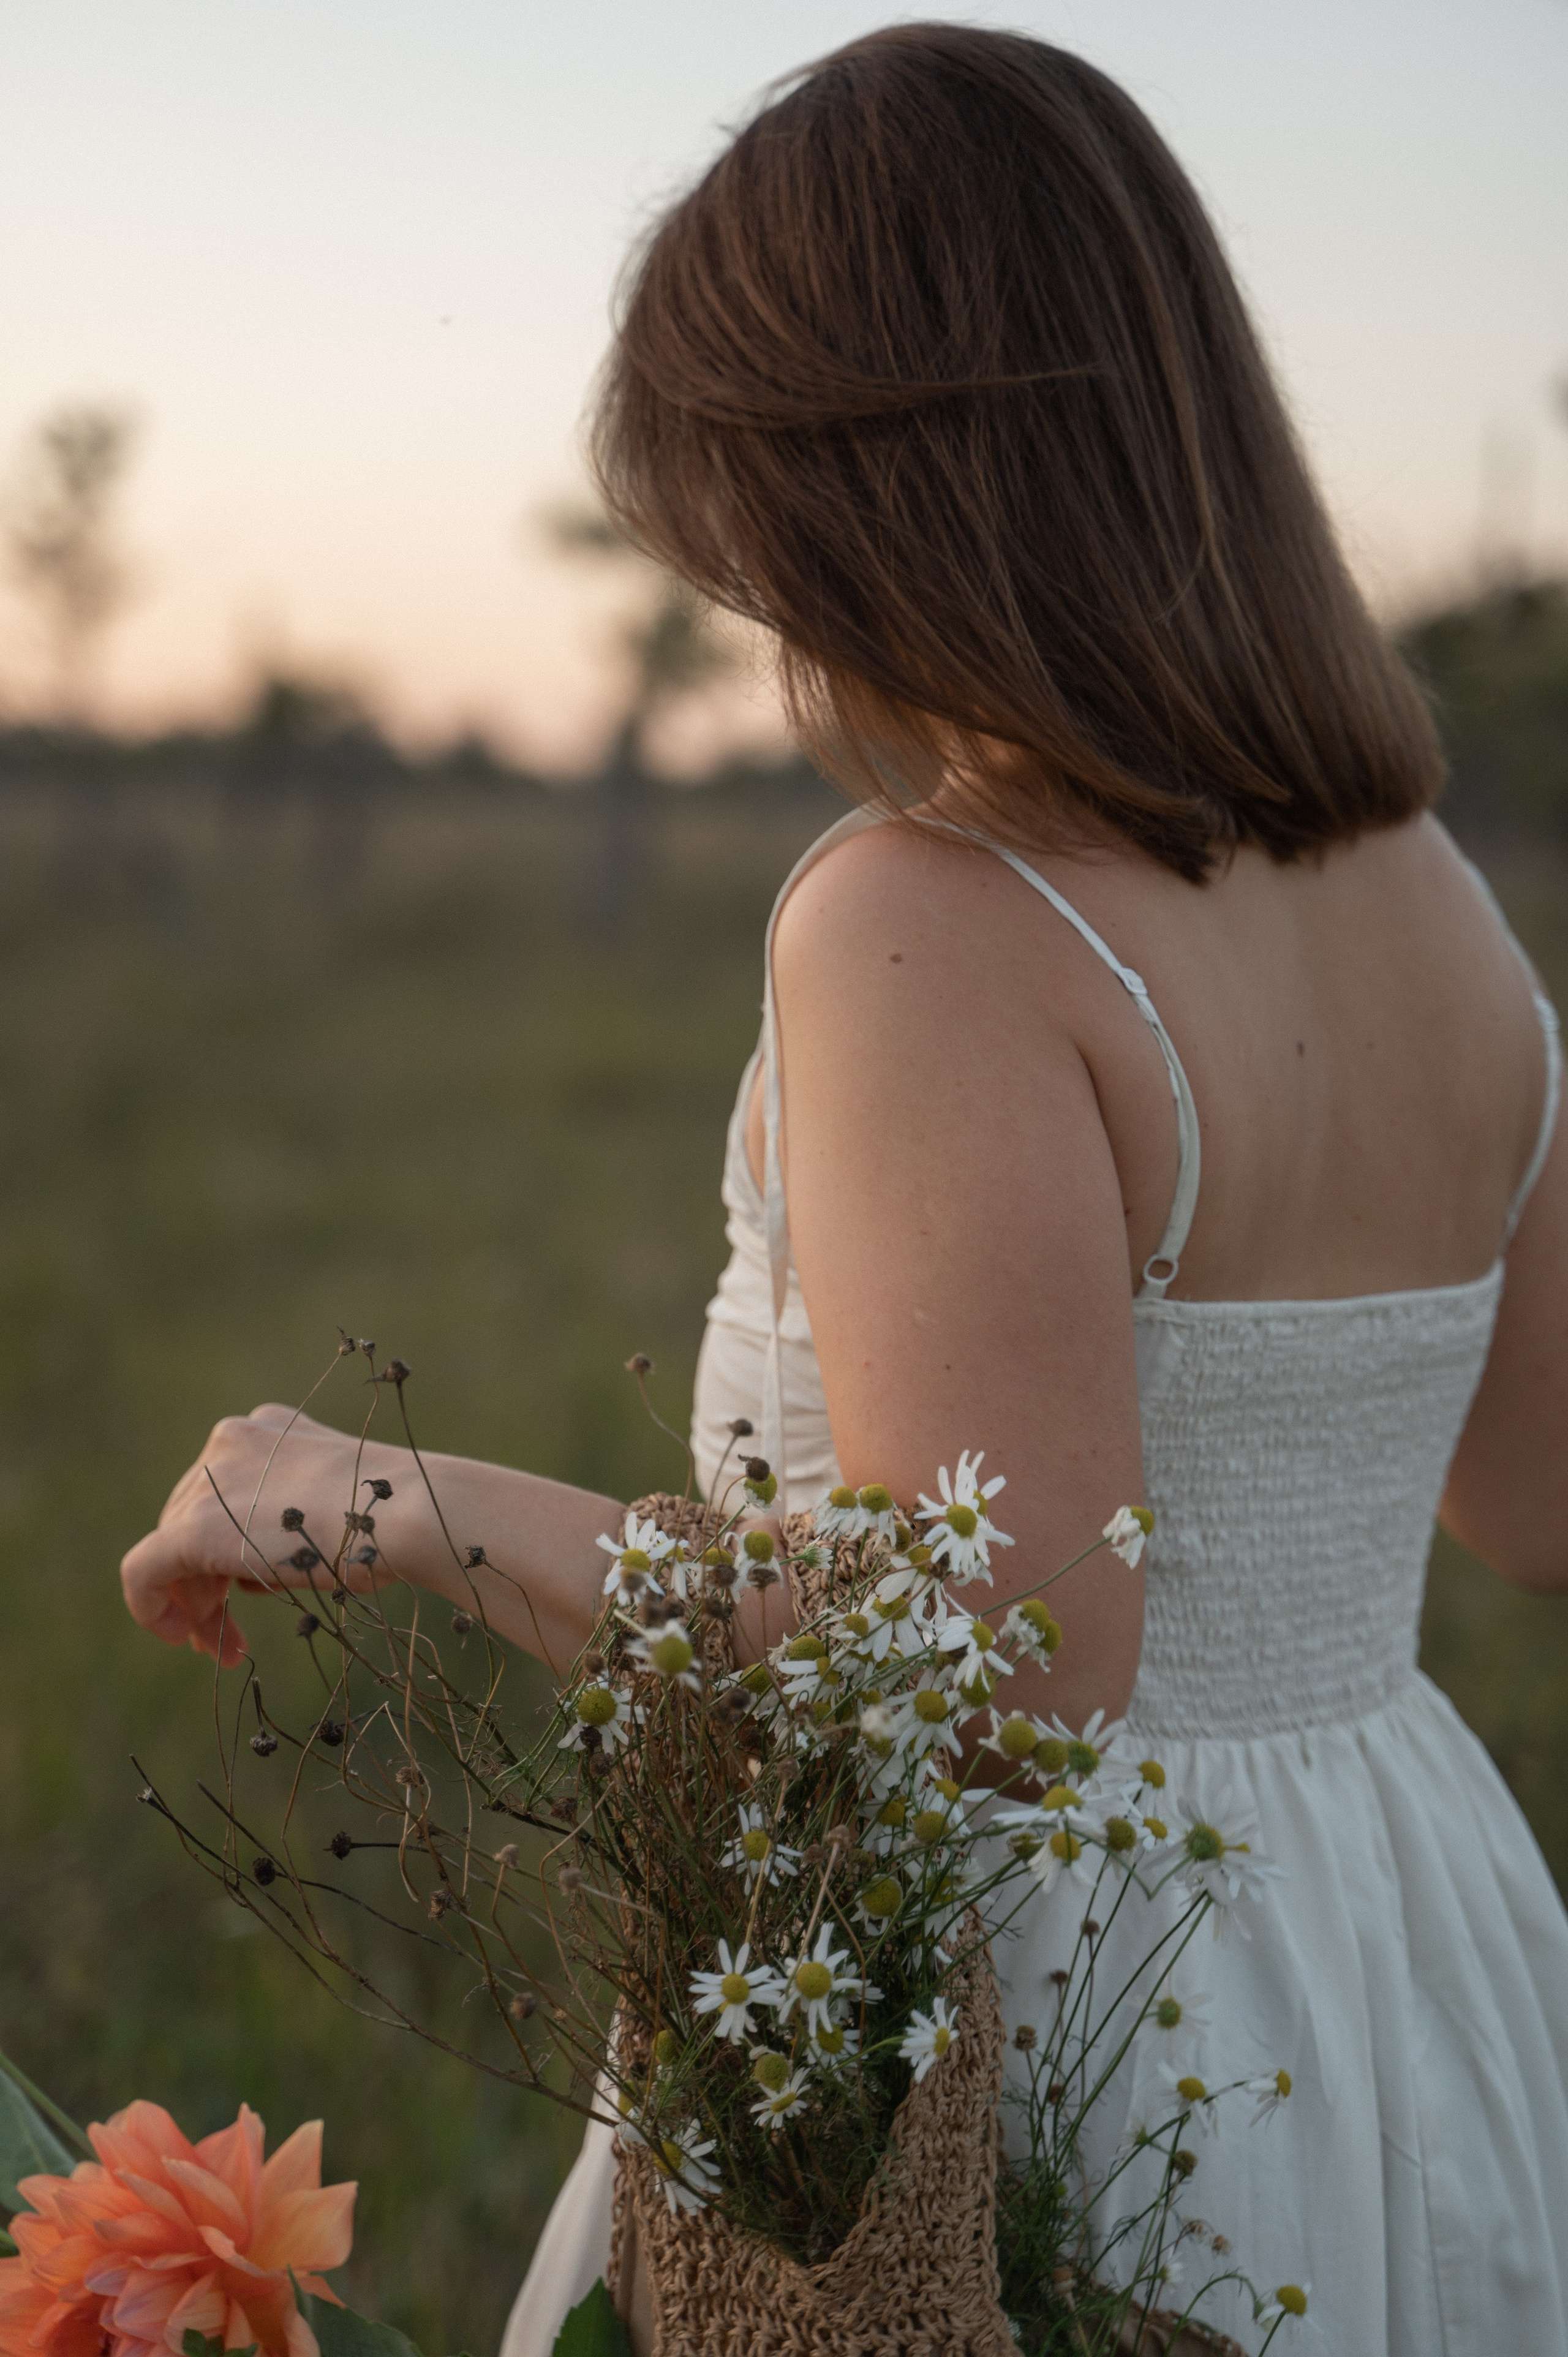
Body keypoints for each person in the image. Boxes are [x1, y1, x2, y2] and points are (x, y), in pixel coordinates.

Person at [119, 26, 1568, 2357]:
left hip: (1054, 2014)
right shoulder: (1443, 905)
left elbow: (1009, 1655)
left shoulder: (931, 918)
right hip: (1417, 1960)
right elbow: (1540, 1500)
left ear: (872, 497)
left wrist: (381, 1493)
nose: (777, 636)